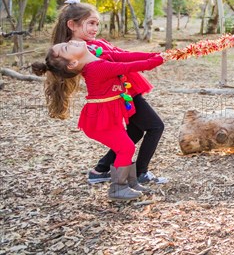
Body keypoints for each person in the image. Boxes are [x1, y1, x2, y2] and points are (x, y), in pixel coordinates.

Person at [51, 0, 167, 185]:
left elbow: (121, 55)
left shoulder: (94, 44)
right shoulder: (79, 51)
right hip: (118, 94)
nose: (95, 28)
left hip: (125, 91)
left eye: (97, 23)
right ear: (72, 25)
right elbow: (118, 63)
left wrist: (154, 55)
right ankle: (140, 173)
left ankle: (101, 169)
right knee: (155, 126)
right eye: (90, 23)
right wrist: (153, 60)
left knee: (135, 132)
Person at [32, 40, 165, 201]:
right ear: (73, 62)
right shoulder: (96, 68)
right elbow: (128, 67)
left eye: (66, 43)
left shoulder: (96, 56)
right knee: (126, 148)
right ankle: (118, 188)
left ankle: (131, 182)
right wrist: (159, 59)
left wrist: (154, 55)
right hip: (100, 120)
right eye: (67, 47)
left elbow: (124, 57)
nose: (71, 41)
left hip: (110, 115)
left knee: (126, 146)